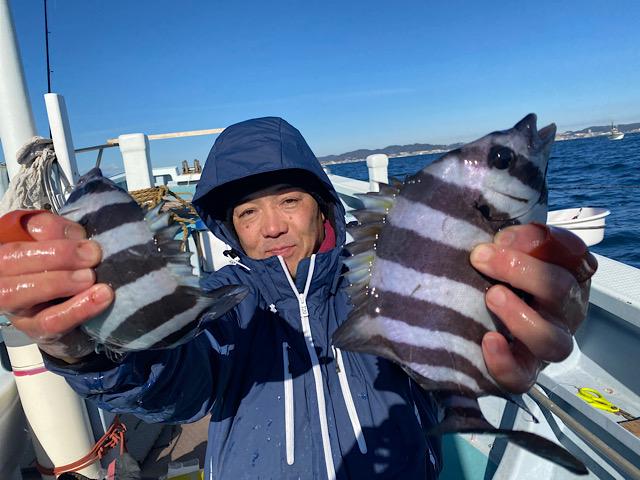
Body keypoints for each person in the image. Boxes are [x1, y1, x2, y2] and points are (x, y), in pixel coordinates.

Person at [0, 117, 595, 479]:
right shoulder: (221, 303)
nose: (272, 227)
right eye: (247, 213)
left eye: (289, 201)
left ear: (322, 207)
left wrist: (511, 324)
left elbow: (449, 347)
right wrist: (82, 349)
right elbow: (171, 382)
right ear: (230, 230)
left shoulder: (383, 289)